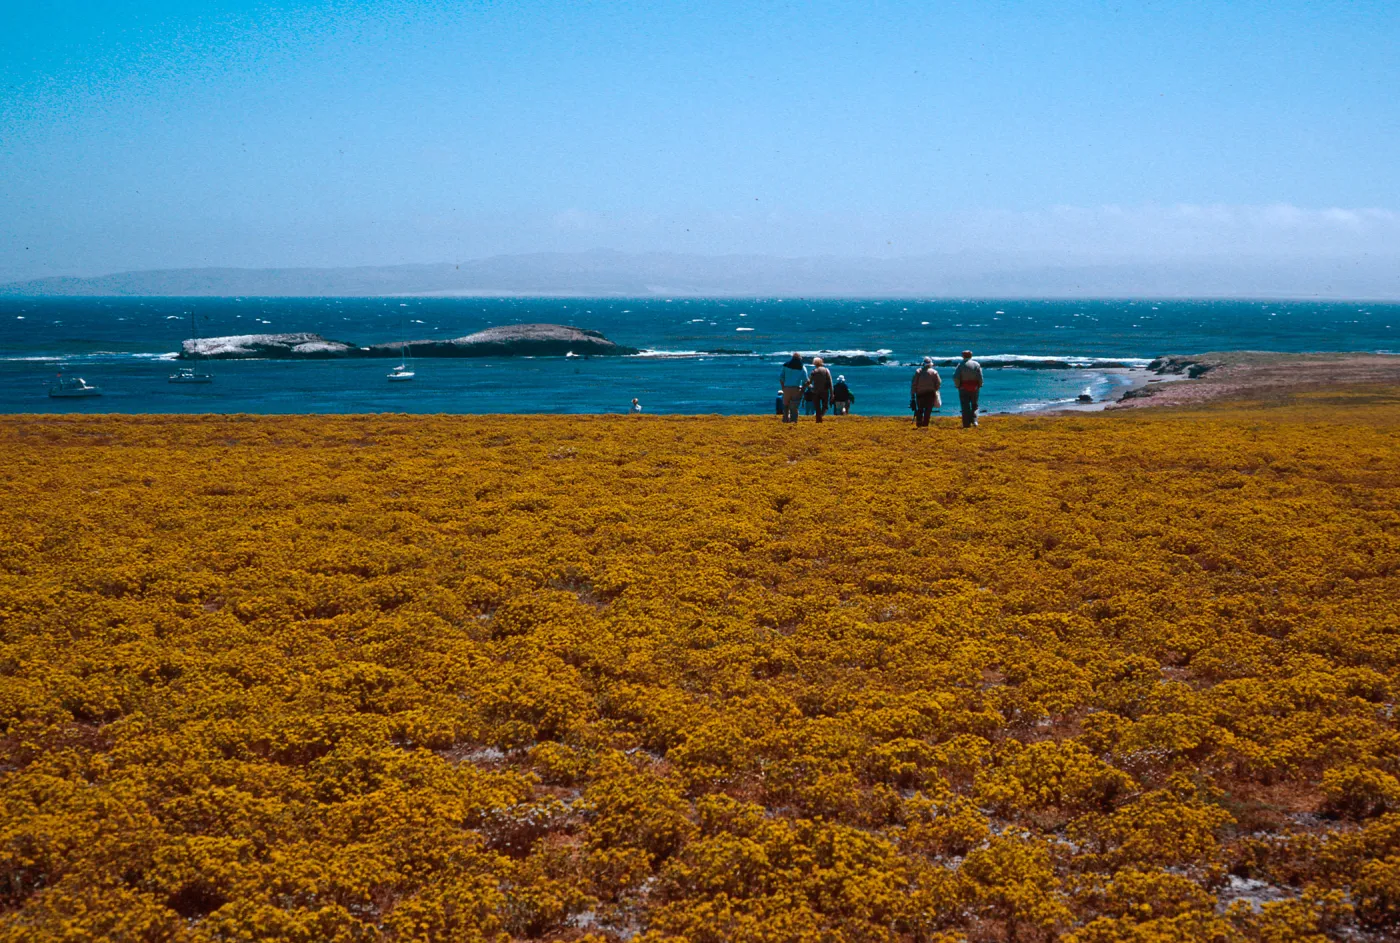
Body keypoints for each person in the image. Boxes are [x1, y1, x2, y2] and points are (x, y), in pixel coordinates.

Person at [953, 349, 984, 428]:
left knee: (965, 406)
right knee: (975, 405)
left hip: (963, 387)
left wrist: (958, 385)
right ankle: (975, 421)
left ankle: (966, 424)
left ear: (963, 356)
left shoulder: (960, 365)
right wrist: (980, 385)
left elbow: (956, 377)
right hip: (974, 387)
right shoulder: (976, 364)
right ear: (971, 356)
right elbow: (980, 377)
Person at [778, 353, 810, 423]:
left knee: (786, 406)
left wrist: (783, 387)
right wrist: (803, 389)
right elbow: (806, 381)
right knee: (794, 407)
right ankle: (793, 421)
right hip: (796, 388)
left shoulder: (785, 365)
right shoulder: (802, 367)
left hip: (786, 388)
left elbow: (781, 378)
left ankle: (785, 420)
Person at [910, 356, 942, 427]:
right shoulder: (934, 372)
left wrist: (912, 395)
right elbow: (938, 383)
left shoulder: (918, 371)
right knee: (928, 410)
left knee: (920, 409)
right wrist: (935, 389)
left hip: (920, 393)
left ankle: (919, 423)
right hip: (930, 393)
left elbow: (914, 384)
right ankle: (925, 424)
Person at [807, 356, 834, 422]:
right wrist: (832, 393)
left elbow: (809, 382)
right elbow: (830, 382)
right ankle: (821, 416)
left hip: (815, 391)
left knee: (817, 407)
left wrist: (811, 387)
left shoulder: (814, 371)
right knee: (825, 406)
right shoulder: (826, 370)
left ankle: (818, 419)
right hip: (825, 391)